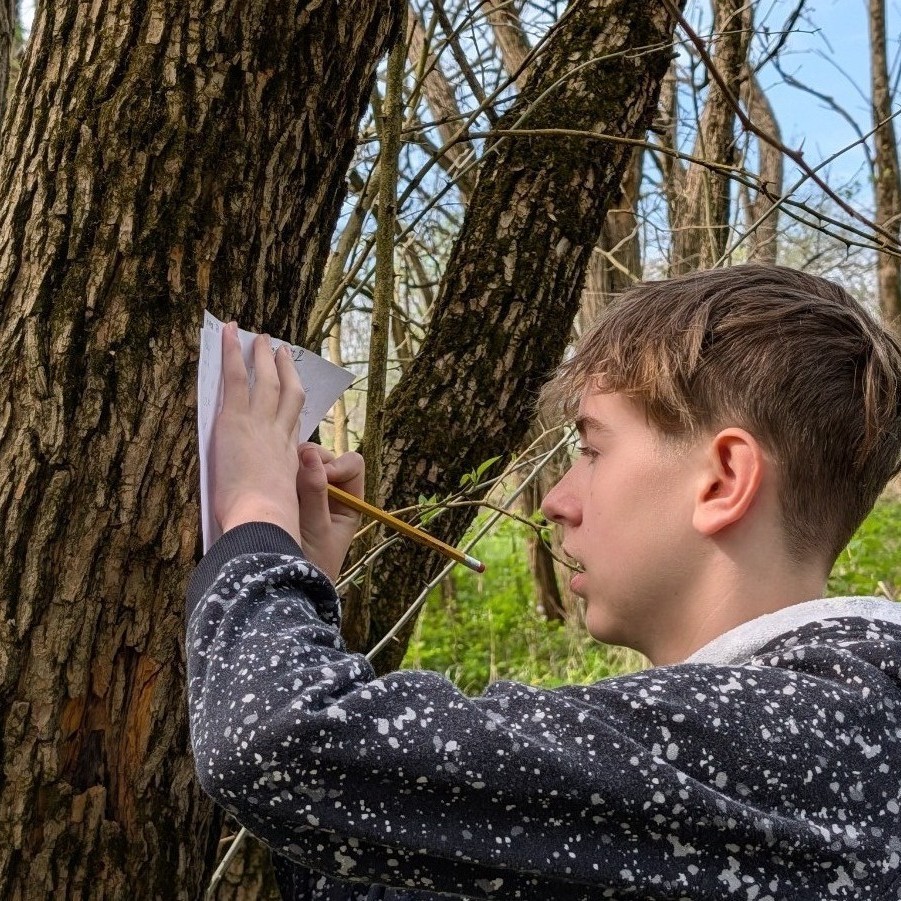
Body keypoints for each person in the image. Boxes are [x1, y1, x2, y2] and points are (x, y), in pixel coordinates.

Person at [187, 264, 901, 900]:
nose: (556, 500)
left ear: (722, 480)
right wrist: (302, 573)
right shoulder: (821, 745)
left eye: (592, 449)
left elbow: (275, 740)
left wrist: (256, 513)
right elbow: (377, 868)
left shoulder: (814, 734)